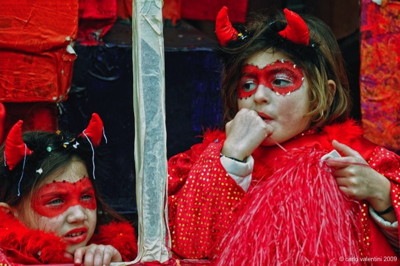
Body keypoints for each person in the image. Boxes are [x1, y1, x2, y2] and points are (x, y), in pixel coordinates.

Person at [167, 6, 399, 265]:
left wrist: (382, 196)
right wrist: (229, 159)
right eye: (247, 85)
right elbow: (190, 248)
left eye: (279, 81)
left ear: (324, 94)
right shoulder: (202, 162)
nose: (259, 96)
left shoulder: (360, 160)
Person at [0, 113, 138, 265]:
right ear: (10, 215)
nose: (79, 216)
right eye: (56, 200)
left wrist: (114, 262)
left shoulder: (114, 253)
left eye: (86, 197)